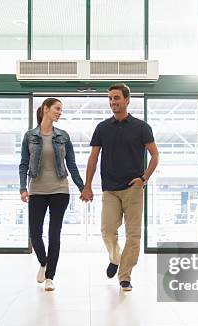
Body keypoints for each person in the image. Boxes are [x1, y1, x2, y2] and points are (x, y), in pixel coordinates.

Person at [81, 84, 159, 291]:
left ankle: (125, 276)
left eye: (116, 98)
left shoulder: (142, 127)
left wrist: (144, 178)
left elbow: (155, 155)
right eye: (110, 99)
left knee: (133, 234)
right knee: (107, 230)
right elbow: (93, 158)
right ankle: (115, 257)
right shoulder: (102, 128)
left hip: (133, 188)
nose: (113, 102)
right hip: (110, 189)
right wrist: (87, 185)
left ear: (127, 100)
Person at [19, 98, 85, 291]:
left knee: (54, 234)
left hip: (60, 190)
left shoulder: (63, 136)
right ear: (45, 109)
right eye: (57, 109)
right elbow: (23, 164)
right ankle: (43, 262)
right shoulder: (30, 136)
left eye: (61, 110)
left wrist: (82, 187)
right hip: (37, 190)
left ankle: (50, 277)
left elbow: (71, 165)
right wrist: (23, 188)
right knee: (35, 234)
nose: (60, 112)